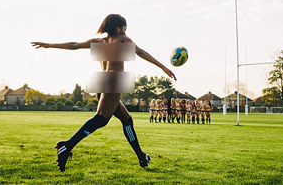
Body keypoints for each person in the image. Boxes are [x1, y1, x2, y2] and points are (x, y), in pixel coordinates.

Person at [31, 14, 176, 172]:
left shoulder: (98, 41)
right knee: (100, 119)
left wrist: (48, 45)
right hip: (115, 80)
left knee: (127, 120)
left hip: (102, 82)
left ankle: (141, 157)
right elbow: (140, 52)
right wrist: (163, 67)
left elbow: (74, 45)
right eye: (125, 28)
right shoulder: (122, 40)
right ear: (118, 28)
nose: (126, 31)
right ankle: (66, 146)